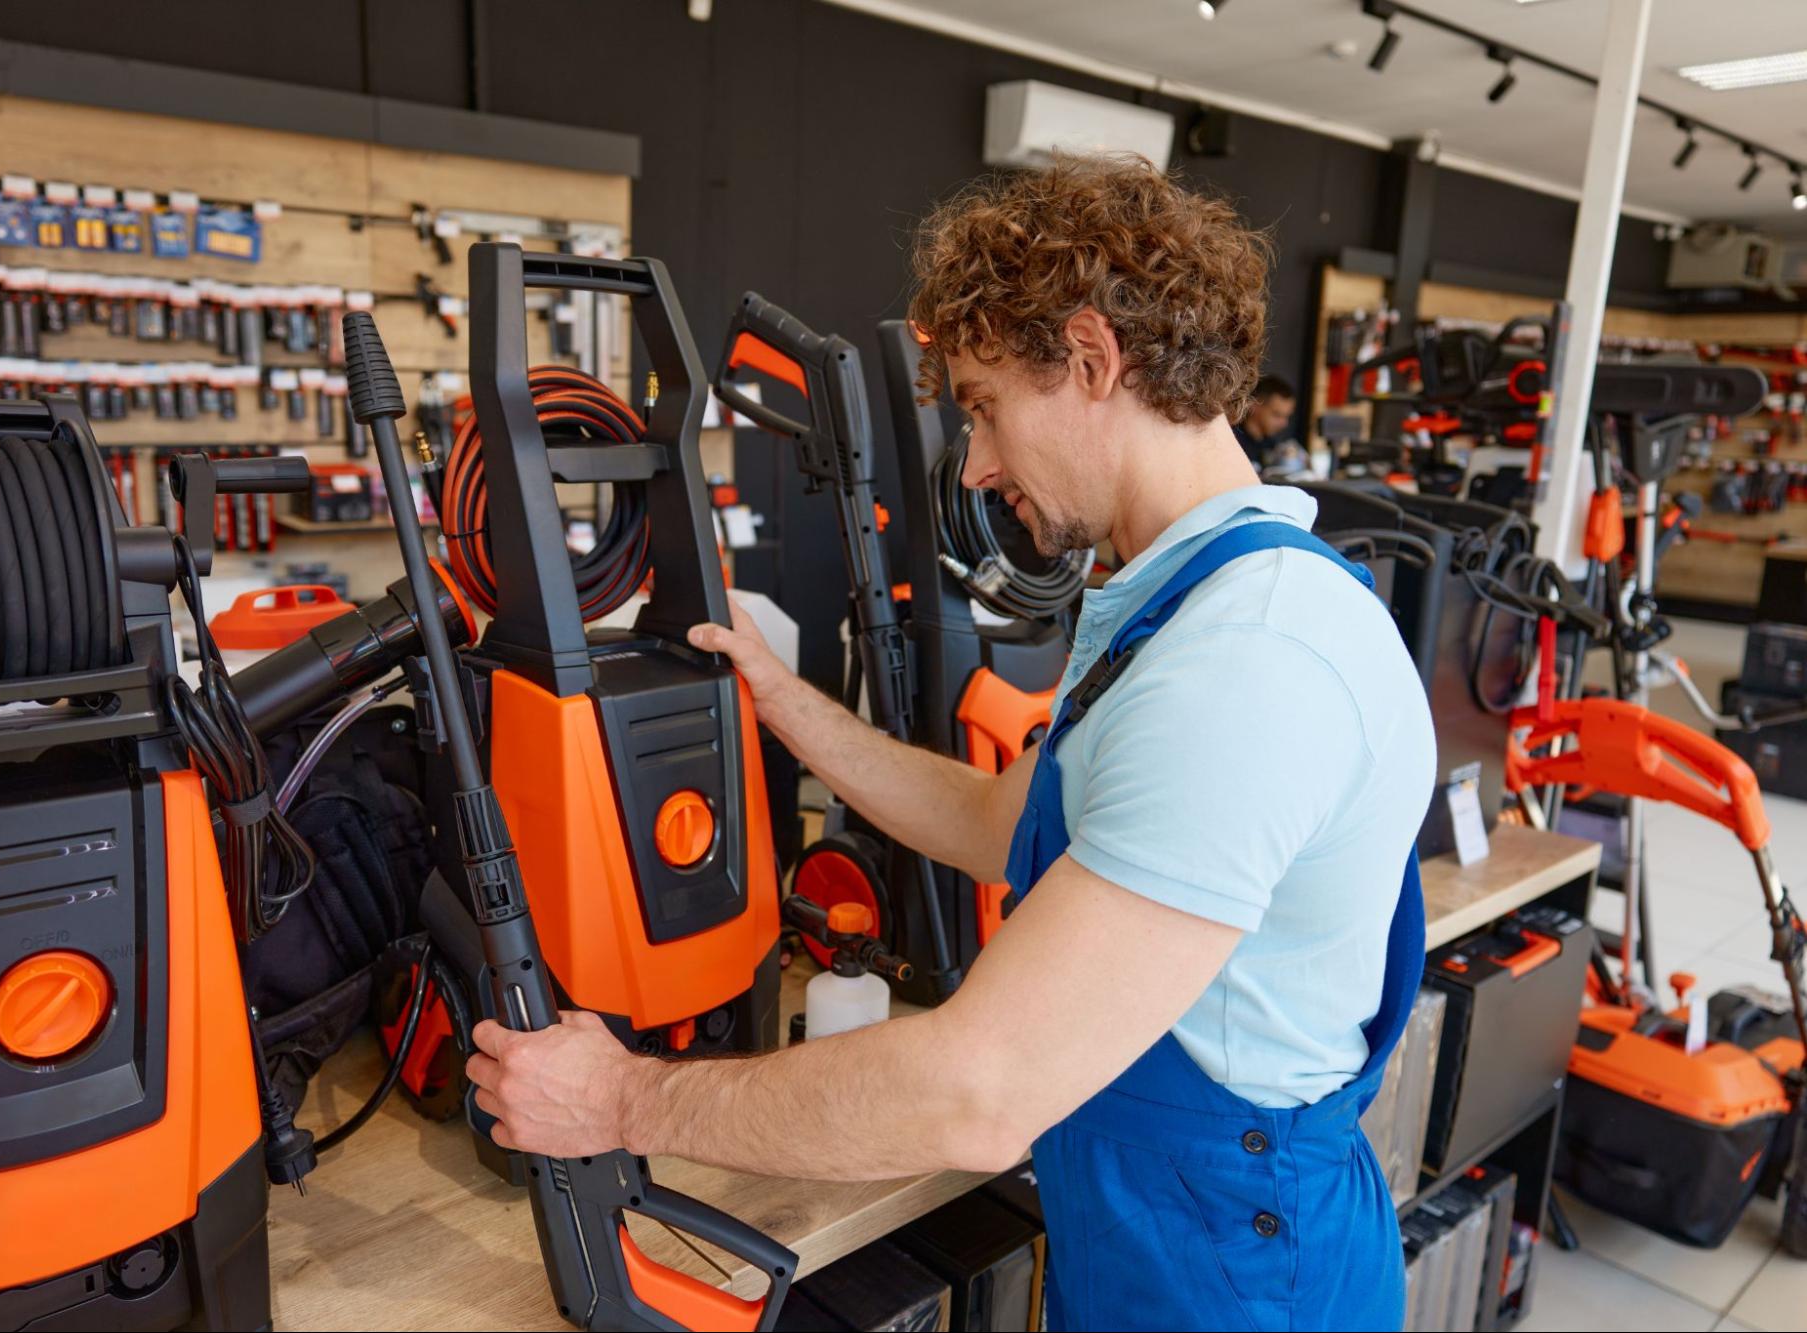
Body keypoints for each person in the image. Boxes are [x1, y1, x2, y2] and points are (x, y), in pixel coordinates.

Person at [468, 155, 1436, 1331]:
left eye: (981, 404)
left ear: (1090, 358)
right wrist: (780, 701)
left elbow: (979, 1092)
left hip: (1237, 1283)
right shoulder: (1182, 599)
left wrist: (620, 1098)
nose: (973, 462)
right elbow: (997, 824)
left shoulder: (1246, 662)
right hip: (1160, 1243)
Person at [1234, 373, 1297, 468]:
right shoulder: (1232, 442)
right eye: (1277, 415)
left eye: (1287, 416)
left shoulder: (1274, 448)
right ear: (1254, 405)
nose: (1284, 423)